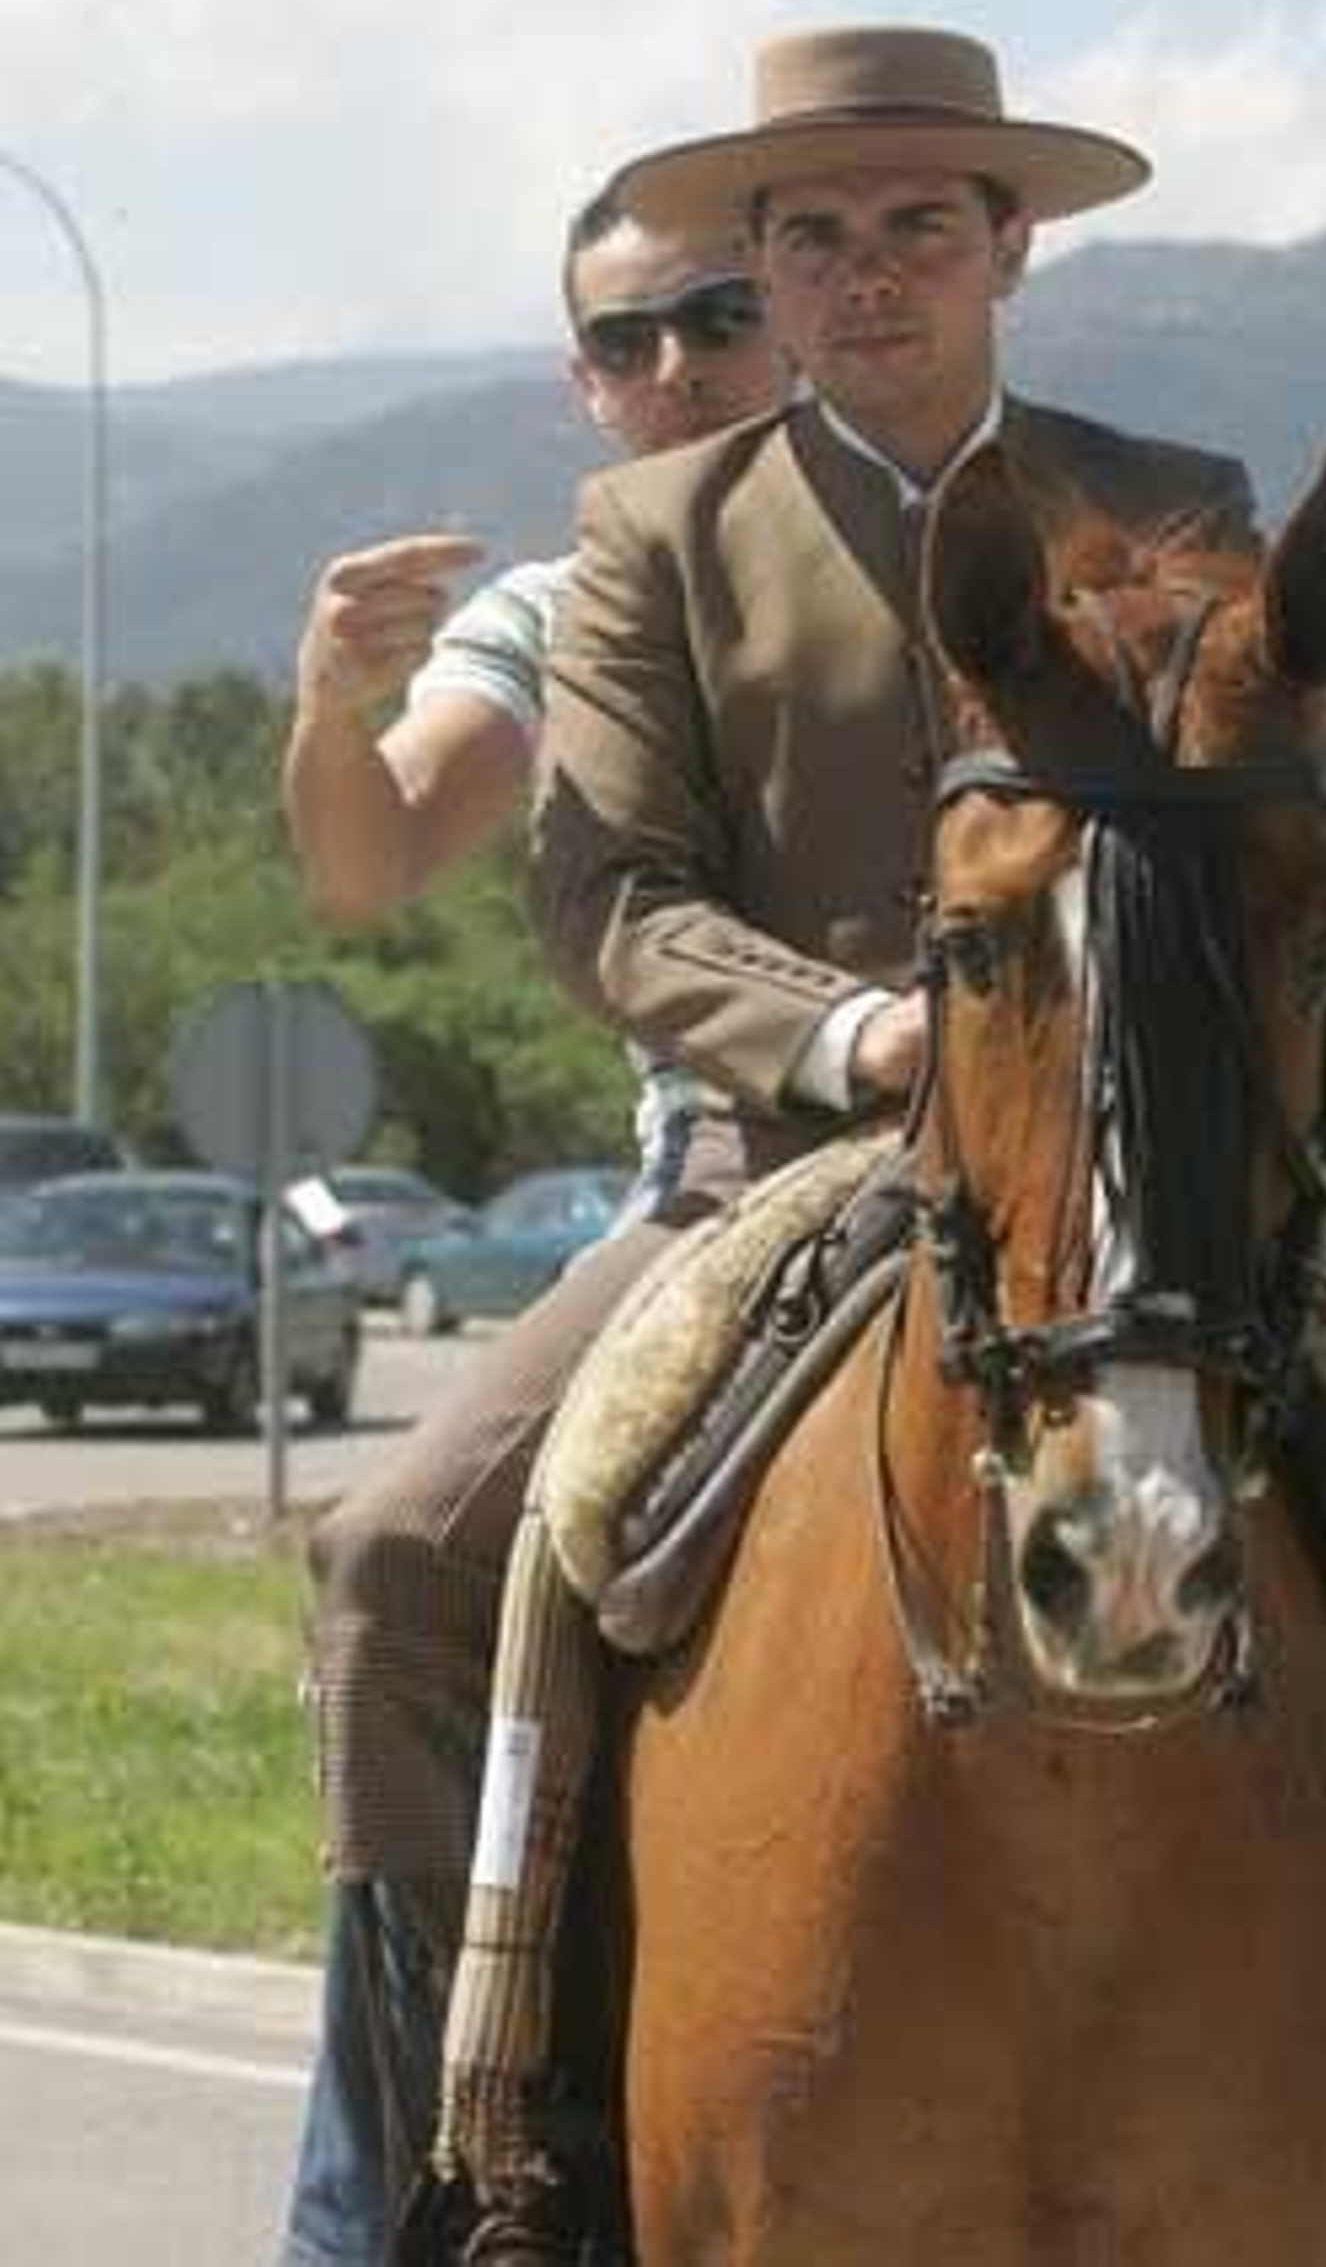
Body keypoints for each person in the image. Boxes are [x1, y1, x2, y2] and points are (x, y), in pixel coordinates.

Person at [420, 26, 1326, 2258]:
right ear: (761, 276)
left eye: (912, 228)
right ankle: (468, 2148)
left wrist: (1263, 958)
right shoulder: (655, 531)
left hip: (1150, 1160)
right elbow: (612, 898)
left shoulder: (1178, 501)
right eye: (808, 239)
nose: (859, 275)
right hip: (783, 1155)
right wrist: (858, 1030)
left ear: (1008, 244)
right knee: (425, 1549)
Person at [276, 189, 789, 2267]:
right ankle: (405, 2178)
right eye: (631, 335)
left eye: (720, 313)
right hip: (719, 1181)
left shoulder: (961, 534)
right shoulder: (553, 609)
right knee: (397, 1557)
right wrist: (329, 695)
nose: (678, 363)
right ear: (581, 380)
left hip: (1045, 1163)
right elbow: (365, 861)